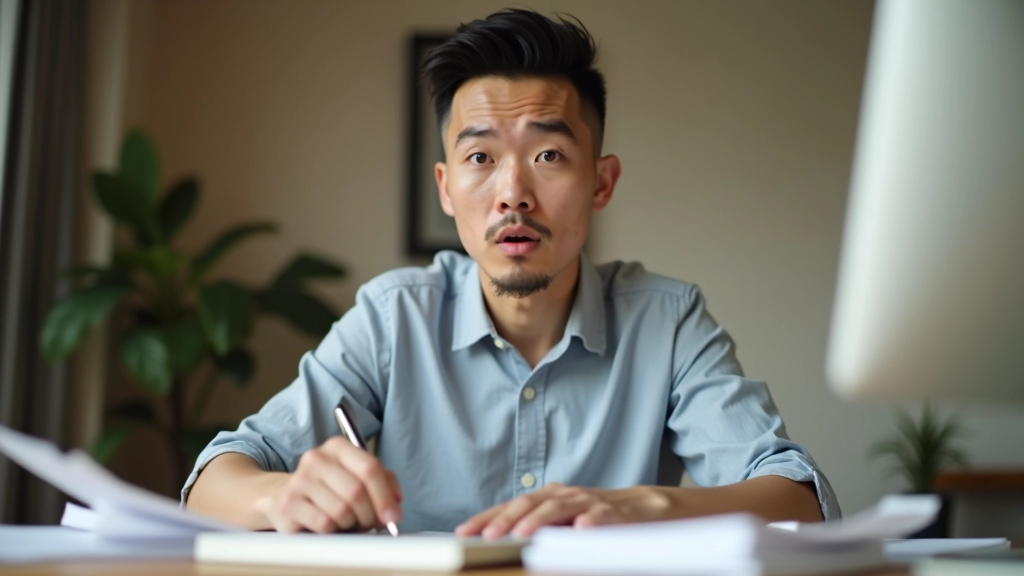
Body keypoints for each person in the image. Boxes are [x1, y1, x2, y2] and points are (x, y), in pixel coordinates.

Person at [183, 8, 840, 537]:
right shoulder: (394, 316)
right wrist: (282, 496)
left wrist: (645, 507)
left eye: (548, 154)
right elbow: (212, 481)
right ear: (445, 188)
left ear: (601, 182)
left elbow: (800, 500)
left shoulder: (666, 323)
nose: (513, 195)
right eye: (480, 158)